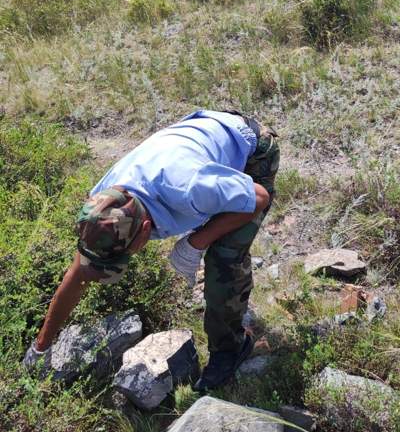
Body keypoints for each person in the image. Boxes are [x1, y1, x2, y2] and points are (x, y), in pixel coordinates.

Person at [24, 109, 279, 391]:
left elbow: (259, 198)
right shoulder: (102, 207)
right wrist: (41, 346)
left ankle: (231, 348)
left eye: (124, 257)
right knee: (211, 212)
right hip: (200, 143)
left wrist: (195, 242)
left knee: (223, 258)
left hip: (253, 149)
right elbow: (78, 274)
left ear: (146, 230)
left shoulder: (190, 189)